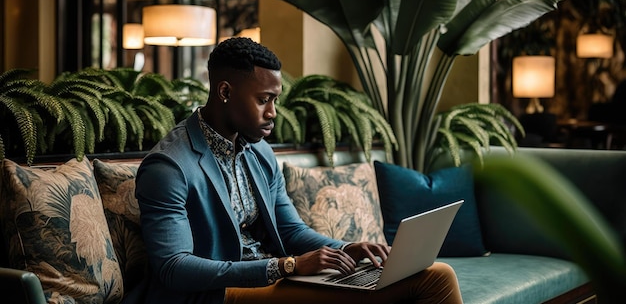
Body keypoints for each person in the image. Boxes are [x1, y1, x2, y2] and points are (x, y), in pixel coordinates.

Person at [135, 37, 462, 304]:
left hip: (272, 279)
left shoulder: (259, 153)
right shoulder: (168, 167)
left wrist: (347, 248)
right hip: (216, 295)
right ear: (224, 92)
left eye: (275, 100)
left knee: (433, 274)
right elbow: (174, 268)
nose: (272, 112)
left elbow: (291, 231)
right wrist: (285, 266)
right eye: (264, 99)